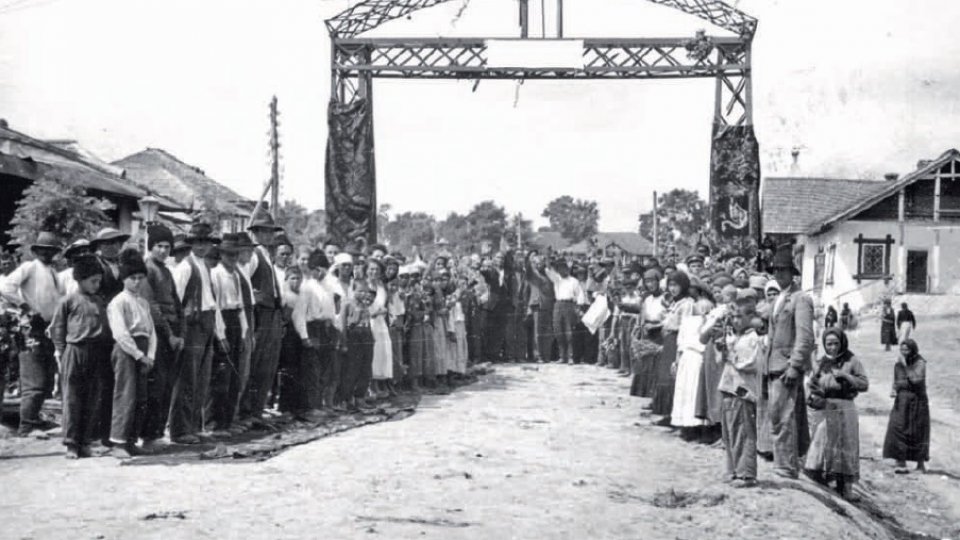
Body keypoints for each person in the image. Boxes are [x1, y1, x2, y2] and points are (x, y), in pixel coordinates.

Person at [0, 231, 63, 436]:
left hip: (48, 328)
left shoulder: (52, 272)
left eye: (51, 251)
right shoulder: (29, 267)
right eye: (43, 250)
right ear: (36, 251)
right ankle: (26, 425)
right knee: (33, 380)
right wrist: (25, 307)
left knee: (46, 379)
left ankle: (34, 419)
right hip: (32, 327)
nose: (48, 254)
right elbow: (5, 286)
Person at [170, 221, 226, 444]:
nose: (202, 246)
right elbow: (176, 301)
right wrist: (179, 332)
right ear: (191, 243)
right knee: (186, 380)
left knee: (200, 381)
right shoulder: (184, 267)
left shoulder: (204, 266)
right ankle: (179, 430)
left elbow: (211, 301)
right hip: (191, 327)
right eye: (197, 242)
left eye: (205, 242)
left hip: (206, 325)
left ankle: (194, 426)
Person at [763, 244, 814, 479]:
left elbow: (805, 337)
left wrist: (795, 365)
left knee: (783, 415)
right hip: (773, 364)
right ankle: (787, 461)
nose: (779, 274)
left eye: (784, 271)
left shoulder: (800, 299)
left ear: (792, 273)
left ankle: (786, 465)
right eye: (776, 271)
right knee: (778, 414)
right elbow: (772, 336)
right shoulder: (777, 300)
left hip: (786, 366)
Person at [48, 255, 106, 458]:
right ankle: (71, 443)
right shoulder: (68, 301)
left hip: (95, 352)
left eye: (99, 281)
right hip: (74, 351)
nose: (97, 285)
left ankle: (86, 442)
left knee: (92, 399)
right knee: (72, 399)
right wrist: (62, 353)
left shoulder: (99, 301)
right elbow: (57, 328)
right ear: (80, 280)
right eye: (93, 281)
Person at [804, 328, 869, 500]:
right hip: (827, 407)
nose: (832, 347)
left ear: (842, 343)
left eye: (835, 344)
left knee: (847, 446)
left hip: (846, 408)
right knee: (824, 442)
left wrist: (846, 376)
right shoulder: (823, 362)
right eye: (828, 344)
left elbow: (864, 384)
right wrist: (816, 388)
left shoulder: (852, 360)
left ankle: (846, 489)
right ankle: (823, 481)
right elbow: (813, 383)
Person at [106, 248, 157, 458]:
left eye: (140, 278)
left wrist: (150, 355)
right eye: (132, 278)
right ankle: (118, 442)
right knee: (125, 394)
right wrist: (137, 354)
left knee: (141, 397)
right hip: (127, 350)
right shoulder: (118, 302)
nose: (137, 282)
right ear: (124, 279)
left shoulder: (143, 302)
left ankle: (132, 439)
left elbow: (152, 331)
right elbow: (120, 333)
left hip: (144, 349)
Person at [712, 288, 763, 488]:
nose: (735, 320)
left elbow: (748, 364)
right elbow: (721, 361)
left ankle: (746, 473)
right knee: (729, 431)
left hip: (743, 390)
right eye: (733, 316)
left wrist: (731, 354)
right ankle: (732, 469)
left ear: (751, 317)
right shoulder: (734, 337)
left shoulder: (753, 339)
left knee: (743, 431)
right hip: (728, 387)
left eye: (740, 316)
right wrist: (722, 349)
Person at [140, 224, 184, 451]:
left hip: (172, 332)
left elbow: (176, 302)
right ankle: (149, 436)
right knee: (156, 386)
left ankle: (158, 432)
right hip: (158, 332)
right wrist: (169, 334)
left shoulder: (166, 270)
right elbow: (152, 306)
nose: (163, 251)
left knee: (167, 385)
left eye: (167, 247)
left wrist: (179, 332)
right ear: (151, 247)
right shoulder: (148, 270)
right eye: (159, 246)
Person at [239, 212, 284, 423]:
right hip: (261, 315)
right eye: (262, 231)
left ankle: (257, 409)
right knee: (257, 363)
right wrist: (255, 300)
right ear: (255, 232)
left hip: (273, 314)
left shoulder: (267, 254)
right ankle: (247, 411)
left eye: (269, 231)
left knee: (268, 365)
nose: (267, 235)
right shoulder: (255, 255)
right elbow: (244, 282)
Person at [208, 236, 249, 432]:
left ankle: (228, 420)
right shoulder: (215, 274)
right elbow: (215, 307)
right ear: (222, 255)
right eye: (228, 254)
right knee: (221, 376)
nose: (232, 258)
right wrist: (221, 335)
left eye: (235, 254)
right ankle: (216, 423)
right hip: (223, 320)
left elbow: (240, 305)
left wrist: (243, 332)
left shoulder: (237, 275)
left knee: (234, 376)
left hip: (235, 321)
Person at [651, 271, 694, 426]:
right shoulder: (675, 302)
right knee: (665, 375)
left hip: (677, 340)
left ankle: (673, 415)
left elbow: (685, 326)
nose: (673, 288)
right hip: (669, 339)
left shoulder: (687, 304)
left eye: (676, 285)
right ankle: (667, 413)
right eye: (670, 285)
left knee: (673, 375)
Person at [882, 338, 929, 474]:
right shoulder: (899, 364)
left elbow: (916, 379)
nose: (904, 353)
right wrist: (894, 389)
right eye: (902, 350)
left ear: (913, 349)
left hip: (917, 401)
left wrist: (906, 366)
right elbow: (896, 379)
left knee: (918, 430)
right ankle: (900, 461)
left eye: (906, 350)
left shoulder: (920, 362)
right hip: (902, 400)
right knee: (897, 427)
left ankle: (920, 464)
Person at [544, 258, 587, 365]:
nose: (563, 270)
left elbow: (580, 294)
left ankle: (571, 356)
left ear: (568, 269)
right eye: (560, 268)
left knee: (569, 332)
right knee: (558, 331)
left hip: (569, 305)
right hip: (558, 304)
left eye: (564, 267)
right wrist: (548, 258)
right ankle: (562, 356)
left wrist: (579, 307)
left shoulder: (574, 281)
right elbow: (548, 270)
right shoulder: (557, 279)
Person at [630, 268, 665, 399]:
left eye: (652, 281)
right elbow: (641, 314)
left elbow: (669, 318)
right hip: (647, 330)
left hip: (660, 331)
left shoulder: (665, 298)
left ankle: (655, 395)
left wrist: (657, 325)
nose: (650, 285)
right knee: (646, 363)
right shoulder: (647, 299)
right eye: (647, 282)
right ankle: (646, 392)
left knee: (657, 363)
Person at [341, 281, 375, 411]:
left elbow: (368, 322)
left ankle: (360, 397)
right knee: (352, 369)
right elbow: (343, 324)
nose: (363, 294)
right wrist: (344, 342)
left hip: (366, 336)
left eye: (365, 291)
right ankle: (347, 399)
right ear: (353, 290)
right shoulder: (348, 304)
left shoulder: (366, 305)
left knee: (366, 368)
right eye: (360, 291)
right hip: (353, 337)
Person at [367, 259, 393, 398]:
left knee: (381, 353)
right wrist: (375, 313)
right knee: (372, 353)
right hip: (369, 321)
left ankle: (378, 383)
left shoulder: (381, 286)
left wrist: (384, 311)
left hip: (381, 323)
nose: (374, 272)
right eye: (371, 269)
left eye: (377, 269)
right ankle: (370, 386)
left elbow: (385, 304)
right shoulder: (363, 285)